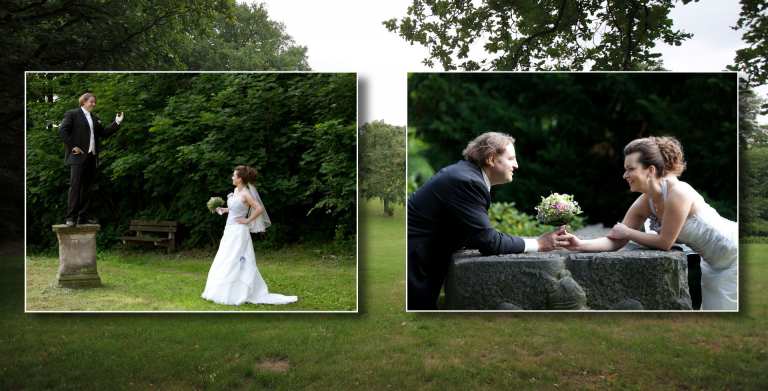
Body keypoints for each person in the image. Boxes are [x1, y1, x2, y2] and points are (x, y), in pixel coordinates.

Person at [561, 136, 737, 310]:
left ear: (650, 170)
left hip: (734, 257)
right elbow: (616, 240)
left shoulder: (678, 193)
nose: (625, 175)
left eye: (630, 169)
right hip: (711, 263)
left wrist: (628, 232)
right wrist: (579, 244)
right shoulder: (646, 201)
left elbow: (664, 242)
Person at [407, 132, 569, 310]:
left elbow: (474, 234)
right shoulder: (467, 182)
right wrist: (539, 243)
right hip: (412, 265)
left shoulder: (466, 175)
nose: (516, 165)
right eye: (511, 158)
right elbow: (488, 241)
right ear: (491, 159)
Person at [201, 165, 297, 306]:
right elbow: (235, 209)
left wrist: (248, 220)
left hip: (239, 231)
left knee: (236, 258)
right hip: (229, 230)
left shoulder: (246, 193)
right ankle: (222, 290)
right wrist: (223, 209)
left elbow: (259, 208)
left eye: (234, 175)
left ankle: (238, 292)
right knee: (226, 257)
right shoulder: (236, 191)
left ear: (240, 179)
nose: (232, 177)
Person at [59, 92, 123, 226]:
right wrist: (72, 146)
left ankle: (82, 217)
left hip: (91, 157)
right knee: (75, 187)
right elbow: (63, 131)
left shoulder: (94, 118)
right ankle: (70, 218)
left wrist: (117, 122)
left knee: (88, 189)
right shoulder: (72, 114)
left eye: (94, 102)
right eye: (91, 102)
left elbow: (104, 133)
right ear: (83, 102)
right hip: (77, 157)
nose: (94, 104)